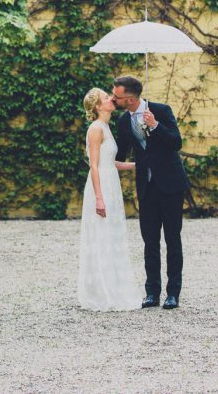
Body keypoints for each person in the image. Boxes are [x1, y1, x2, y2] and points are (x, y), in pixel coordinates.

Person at [111, 75, 189, 310]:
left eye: (117, 96)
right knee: (149, 241)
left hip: (171, 185)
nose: (114, 99)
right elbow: (120, 154)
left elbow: (176, 143)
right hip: (146, 187)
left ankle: (173, 293)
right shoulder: (124, 122)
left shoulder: (161, 111)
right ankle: (151, 292)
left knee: (173, 239)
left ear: (130, 99)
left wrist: (155, 125)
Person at [78, 88, 142, 311]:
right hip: (101, 186)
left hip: (110, 182)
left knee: (112, 234)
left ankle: (113, 286)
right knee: (101, 235)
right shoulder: (96, 128)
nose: (111, 99)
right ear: (97, 106)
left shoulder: (106, 127)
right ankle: (101, 291)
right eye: (106, 97)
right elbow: (94, 165)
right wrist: (99, 198)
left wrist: (137, 166)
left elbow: (110, 163)